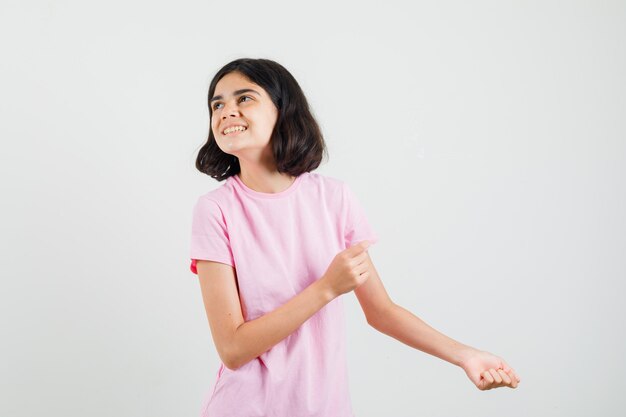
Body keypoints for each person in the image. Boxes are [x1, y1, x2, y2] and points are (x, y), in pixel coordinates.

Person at [189, 58, 520, 417]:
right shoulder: (215, 211)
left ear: (283, 111)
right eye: (217, 104)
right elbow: (233, 349)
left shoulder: (334, 199)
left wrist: (465, 355)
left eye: (244, 99)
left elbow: (382, 312)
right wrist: (326, 289)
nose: (226, 112)